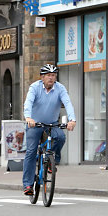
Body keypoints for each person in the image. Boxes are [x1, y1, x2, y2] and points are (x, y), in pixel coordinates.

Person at [22, 64, 76, 196]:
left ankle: (53, 160)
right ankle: (28, 184)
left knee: (61, 137)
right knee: (31, 151)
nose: (51, 78)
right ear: (42, 77)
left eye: (53, 75)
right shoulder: (34, 87)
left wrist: (72, 120)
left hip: (51, 123)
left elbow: (68, 103)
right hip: (35, 123)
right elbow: (28, 102)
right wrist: (28, 118)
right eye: (48, 76)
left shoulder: (60, 88)